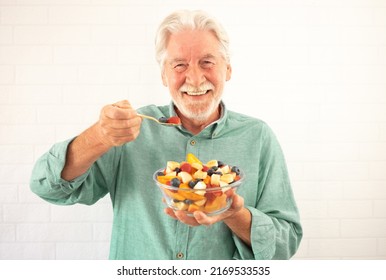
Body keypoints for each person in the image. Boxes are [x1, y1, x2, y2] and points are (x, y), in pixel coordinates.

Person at [30, 9, 302, 260]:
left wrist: (234, 214)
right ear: (163, 74)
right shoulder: (131, 131)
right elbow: (47, 187)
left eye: (207, 62)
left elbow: (286, 243)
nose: (195, 79)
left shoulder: (257, 137)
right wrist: (99, 136)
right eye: (179, 65)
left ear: (227, 69)